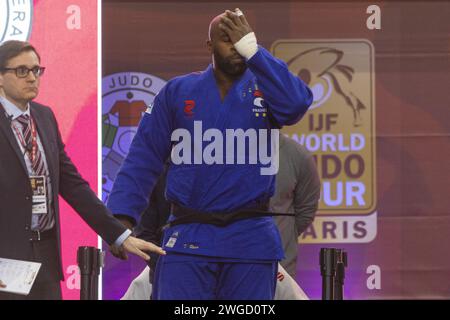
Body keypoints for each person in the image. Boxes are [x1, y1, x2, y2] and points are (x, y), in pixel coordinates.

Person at [107, 8, 313, 300]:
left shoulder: (267, 90)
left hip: (250, 236)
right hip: (189, 236)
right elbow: (144, 157)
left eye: (243, 39)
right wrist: (121, 218)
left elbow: (296, 105)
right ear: (209, 46)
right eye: (228, 39)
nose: (237, 46)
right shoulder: (178, 92)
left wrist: (255, 52)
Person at [0, 40, 165, 300]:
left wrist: (118, 235)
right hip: (5, 260)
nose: (32, 78)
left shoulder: (44, 117)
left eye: (36, 70)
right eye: (22, 71)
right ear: (0, 77)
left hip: (45, 256)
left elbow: (73, 186)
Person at [271, 134, 321, 279]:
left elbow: (306, 211)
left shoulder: (298, 155)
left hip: (280, 266)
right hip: (232, 261)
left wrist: (283, 234)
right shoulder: (224, 151)